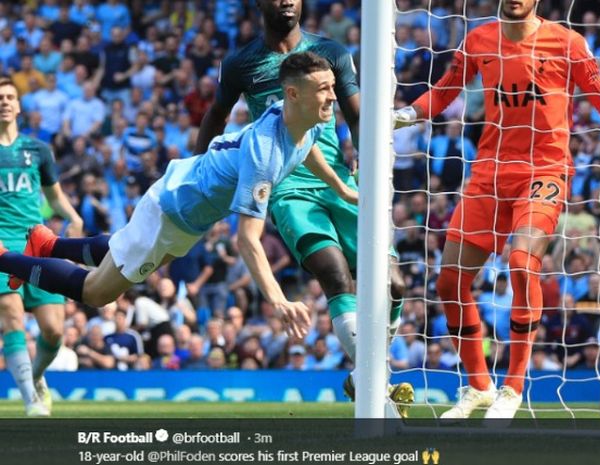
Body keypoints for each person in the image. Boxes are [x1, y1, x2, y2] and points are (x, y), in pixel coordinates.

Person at [394, 0, 600, 420]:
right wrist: (407, 113)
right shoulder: (479, 40)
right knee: (448, 283)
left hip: (544, 169)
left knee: (521, 260)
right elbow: (445, 90)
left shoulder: (566, 41)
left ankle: (512, 388)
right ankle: (479, 386)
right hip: (489, 172)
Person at [0, 51, 356, 342]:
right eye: (323, 88)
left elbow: (308, 149)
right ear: (293, 93)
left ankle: (48, 245)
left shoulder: (306, 118)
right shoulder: (265, 154)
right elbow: (247, 241)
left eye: (331, 86)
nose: (332, 95)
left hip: (190, 212)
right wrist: (278, 300)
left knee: (121, 253)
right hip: (171, 210)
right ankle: (7, 259)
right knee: (97, 292)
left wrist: (341, 188)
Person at [195, 0, 412, 415]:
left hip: (340, 181)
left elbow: (358, 116)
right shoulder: (241, 63)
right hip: (288, 186)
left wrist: (369, 163)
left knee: (394, 285)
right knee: (335, 275)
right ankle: (378, 394)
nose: (287, 1)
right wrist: (196, 173)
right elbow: (215, 118)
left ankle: (368, 377)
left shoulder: (329, 53)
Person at [0, 77, 83, 416]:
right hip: (3, 245)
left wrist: (74, 218)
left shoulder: (38, 150)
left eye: (9, 97)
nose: (4, 102)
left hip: (38, 242)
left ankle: (36, 377)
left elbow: (54, 196)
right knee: (11, 315)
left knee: (53, 330)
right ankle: (31, 401)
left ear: (19, 106)